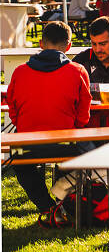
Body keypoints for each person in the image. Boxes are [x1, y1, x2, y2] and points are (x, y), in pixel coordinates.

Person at [6, 22, 92, 227]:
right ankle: (60, 203)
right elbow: (83, 117)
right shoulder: (78, 71)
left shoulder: (19, 72)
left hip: (26, 145)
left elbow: (13, 111)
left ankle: (48, 207)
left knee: (18, 161)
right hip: (65, 143)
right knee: (87, 151)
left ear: (41, 43)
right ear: (69, 46)